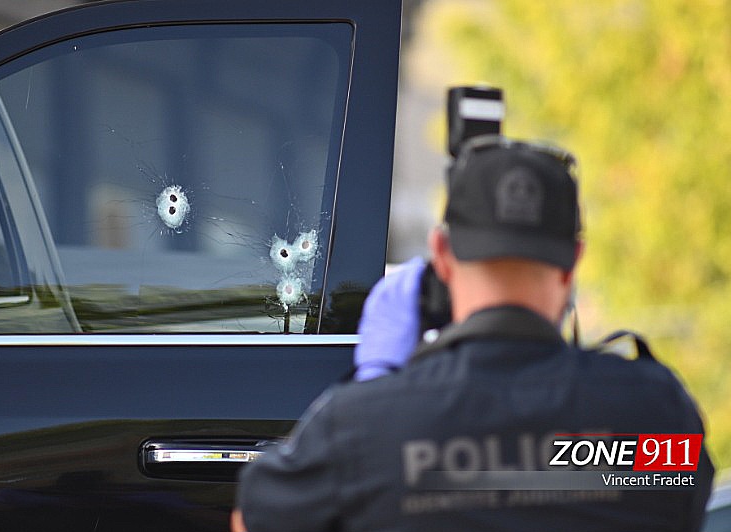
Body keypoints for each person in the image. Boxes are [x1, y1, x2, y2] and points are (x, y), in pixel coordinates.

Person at [232, 135, 714, 532]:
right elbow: (683, 505)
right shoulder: (658, 415)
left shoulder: (359, 428)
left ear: (441, 254)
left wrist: (375, 390)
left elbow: (251, 524)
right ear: (573, 261)